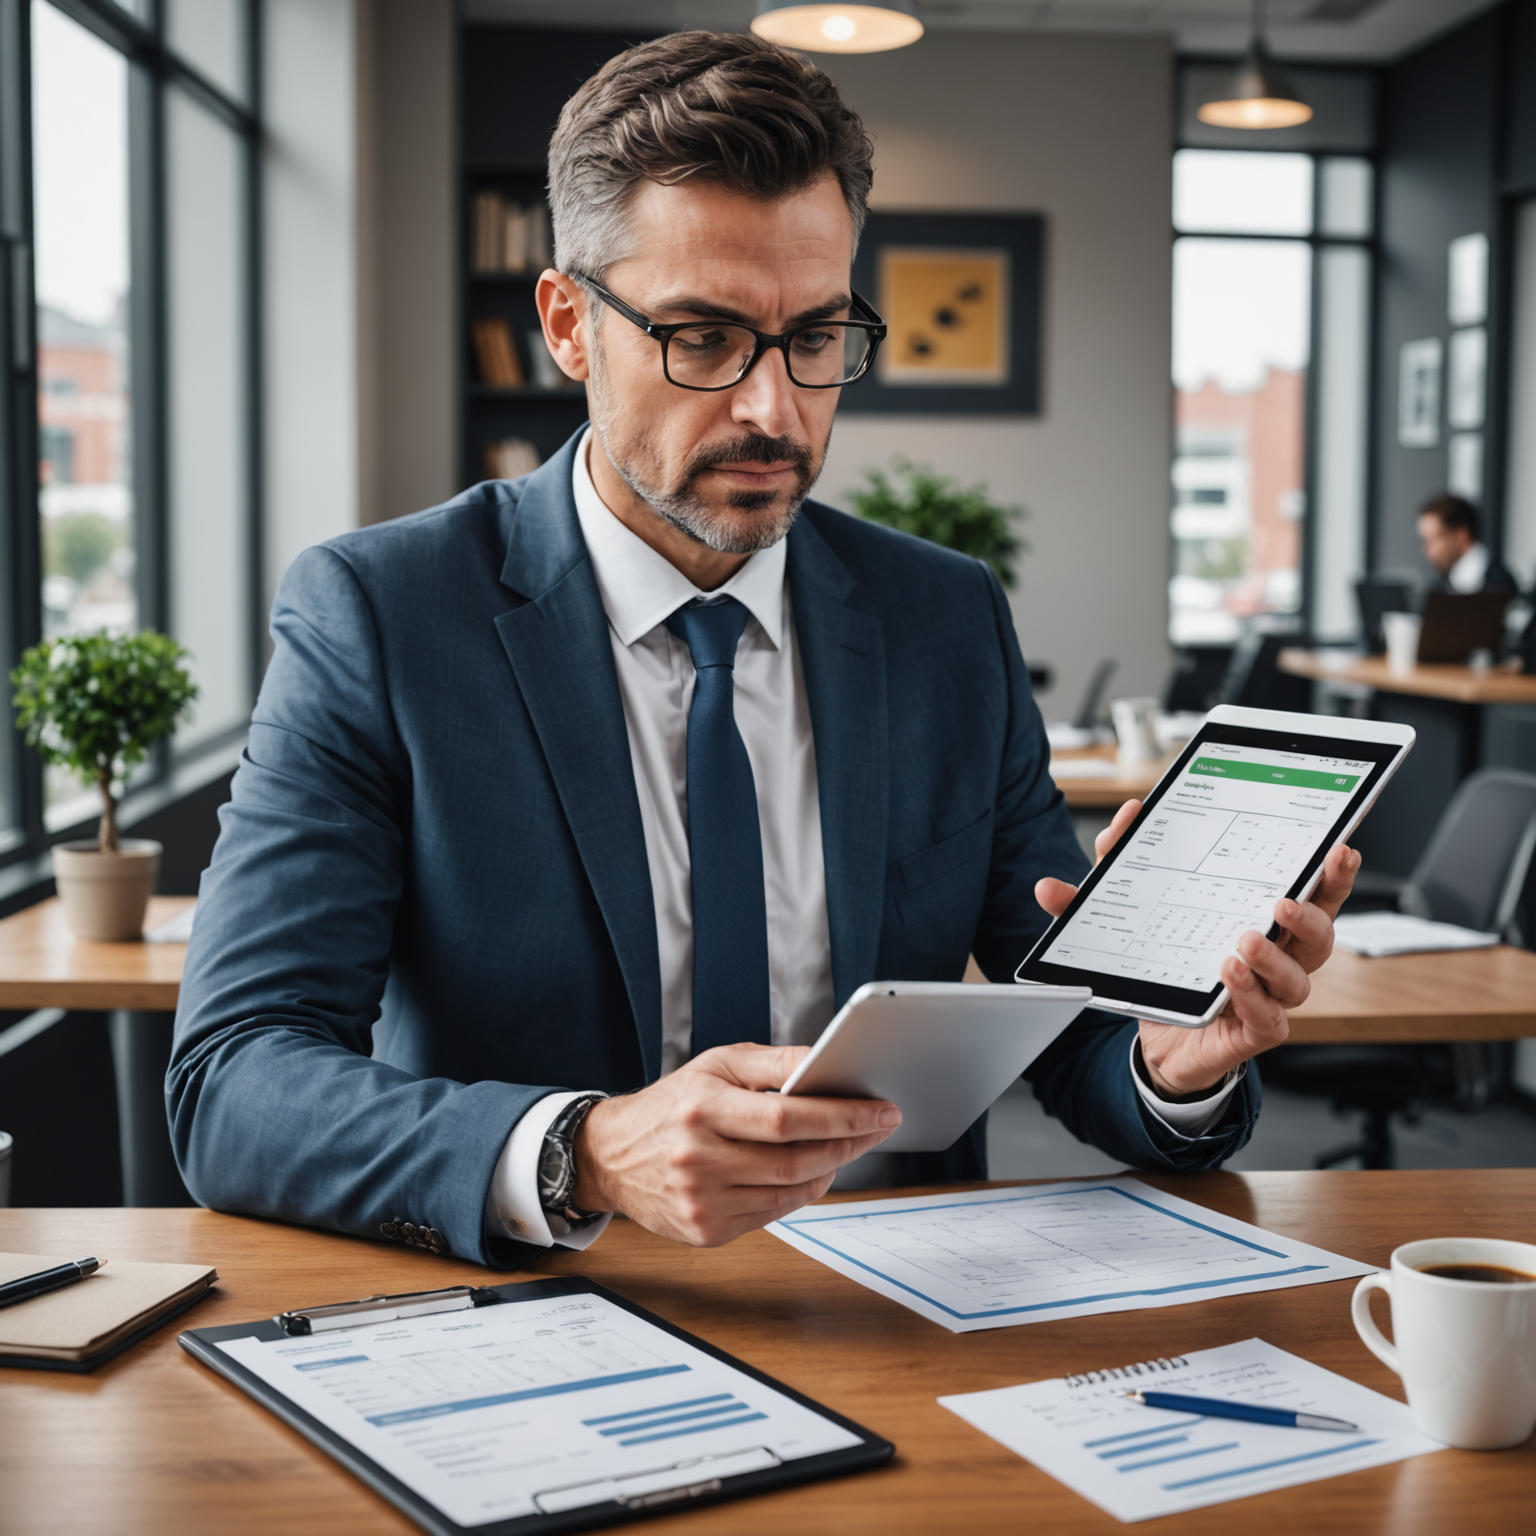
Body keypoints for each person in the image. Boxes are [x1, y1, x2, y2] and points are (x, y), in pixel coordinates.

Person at [169, 32, 1358, 1266]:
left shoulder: (945, 617)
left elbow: (1060, 1031)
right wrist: (583, 1152)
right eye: (702, 338)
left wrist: (1167, 1062)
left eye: (816, 337)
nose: (772, 410)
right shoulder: (383, 613)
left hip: (915, 1306)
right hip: (553, 1314)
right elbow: (235, 1081)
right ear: (569, 325)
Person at [1417, 493, 1517, 593]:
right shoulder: (1440, 586)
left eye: (1433, 539)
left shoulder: (1500, 585)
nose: (1426, 548)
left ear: (1461, 535)